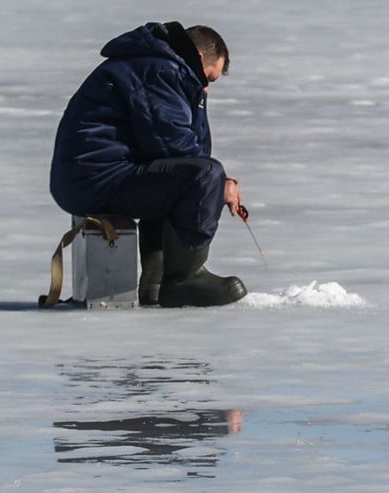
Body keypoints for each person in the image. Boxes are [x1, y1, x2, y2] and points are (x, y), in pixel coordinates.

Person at [49, 21, 247, 307]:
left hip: (93, 177)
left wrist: (198, 100)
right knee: (203, 175)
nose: (206, 86)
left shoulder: (159, 66)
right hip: (96, 178)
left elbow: (181, 151)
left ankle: (155, 282)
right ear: (199, 57)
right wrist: (219, 183)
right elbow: (175, 147)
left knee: (182, 176)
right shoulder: (159, 70)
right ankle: (183, 280)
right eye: (209, 77)